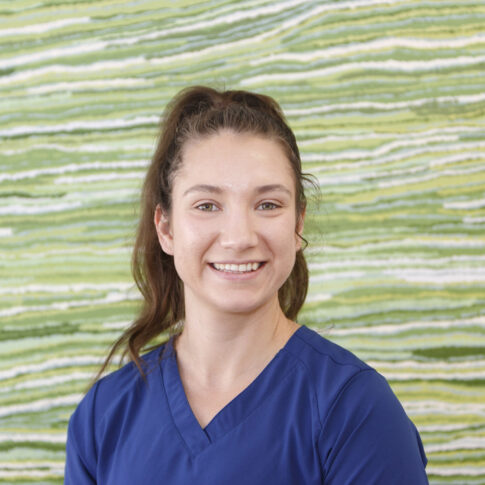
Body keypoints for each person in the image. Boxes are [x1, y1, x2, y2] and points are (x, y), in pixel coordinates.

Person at [64, 86, 429, 484]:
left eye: (268, 204)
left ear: (298, 224)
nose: (239, 237)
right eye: (207, 205)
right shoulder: (103, 415)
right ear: (165, 228)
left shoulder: (356, 409)